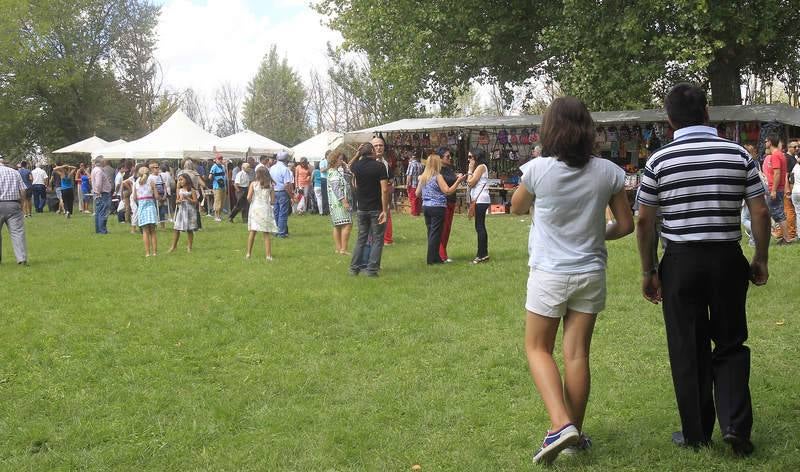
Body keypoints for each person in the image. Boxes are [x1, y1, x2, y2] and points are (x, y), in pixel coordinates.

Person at [636, 83, 770, 456]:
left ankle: (696, 433)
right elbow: (759, 210)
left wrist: (648, 270)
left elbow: (645, 221)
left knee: (687, 346)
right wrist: (760, 257)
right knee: (730, 341)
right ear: (707, 113)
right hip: (727, 257)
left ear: (669, 118)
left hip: (680, 261)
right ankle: (735, 424)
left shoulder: (658, 161)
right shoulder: (737, 155)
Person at [510, 97, 634, 464]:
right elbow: (625, 225)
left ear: (549, 129)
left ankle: (560, 424)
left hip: (549, 272)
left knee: (537, 349)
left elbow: (516, 206)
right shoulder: (609, 172)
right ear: (588, 130)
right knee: (577, 353)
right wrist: (598, 234)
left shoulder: (536, 170)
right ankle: (574, 433)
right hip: (591, 272)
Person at [349, 143, 390, 276]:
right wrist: (384, 210)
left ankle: (354, 268)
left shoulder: (357, 166)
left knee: (361, 239)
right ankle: (372, 270)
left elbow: (349, 165)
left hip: (361, 208)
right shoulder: (379, 166)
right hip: (376, 208)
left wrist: (357, 153)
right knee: (378, 239)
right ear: (372, 151)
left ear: (362, 152)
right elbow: (384, 189)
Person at [416, 153, 464, 264]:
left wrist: (427, 194)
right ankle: (431, 259)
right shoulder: (438, 176)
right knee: (436, 233)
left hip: (426, 207)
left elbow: (417, 193)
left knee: (430, 232)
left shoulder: (423, 177)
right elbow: (447, 191)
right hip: (437, 207)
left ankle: (436, 257)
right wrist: (458, 181)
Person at [763, 135, 792, 244]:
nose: (765, 143)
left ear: (770, 142)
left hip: (774, 188)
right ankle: (785, 238)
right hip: (777, 188)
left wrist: (773, 190)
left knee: (777, 213)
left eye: (766, 141)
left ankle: (786, 238)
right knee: (777, 213)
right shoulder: (780, 154)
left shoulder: (775, 155)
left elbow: (777, 173)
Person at [246, 166, 278, 260]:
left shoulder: (253, 184)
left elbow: (248, 197)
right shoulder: (271, 186)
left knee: (253, 231)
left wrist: (251, 201)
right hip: (265, 209)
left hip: (255, 208)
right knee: (266, 233)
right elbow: (272, 201)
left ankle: (248, 254)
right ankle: (268, 255)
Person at [0, 160, 28, 264]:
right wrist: (22, 203)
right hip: (13, 204)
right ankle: (21, 258)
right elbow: (23, 190)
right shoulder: (15, 172)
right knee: (17, 232)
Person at [466, 148, 491, 263]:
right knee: (480, 226)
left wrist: (470, 169)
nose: (469, 159)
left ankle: (481, 254)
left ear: (476, 156)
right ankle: (483, 253)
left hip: (480, 200)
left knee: (479, 227)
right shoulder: (480, 167)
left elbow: (470, 182)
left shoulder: (480, 167)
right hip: (480, 199)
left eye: (470, 157)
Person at [327, 152, 353, 254]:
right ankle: (344, 249)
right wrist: (344, 201)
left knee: (337, 225)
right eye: (340, 159)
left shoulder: (331, 171)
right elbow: (336, 188)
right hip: (339, 203)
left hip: (334, 204)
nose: (341, 161)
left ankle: (338, 248)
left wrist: (346, 167)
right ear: (335, 160)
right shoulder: (334, 173)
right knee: (347, 224)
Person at [133, 166, 160, 257]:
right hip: (151, 206)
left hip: (141, 206)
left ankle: (147, 253)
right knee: (153, 231)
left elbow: (134, 198)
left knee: (145, 231)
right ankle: (155, 252)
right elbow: (156, 197)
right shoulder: (151, 182)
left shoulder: (136, 183)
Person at [372, 136, 394, 245]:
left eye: (381, 145)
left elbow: (390, 180)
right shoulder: (368, 162)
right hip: (371, 197)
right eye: (376, 146)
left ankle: (387, 239)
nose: (379, 148)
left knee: (386, 214)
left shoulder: (385, 163)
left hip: (384, 194)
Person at [168, 174, 198, 253]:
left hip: (190, 212)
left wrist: (188, 198)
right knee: (176, 228)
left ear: (187, 180)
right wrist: (178, 201)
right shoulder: (179, 190)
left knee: (189, 229)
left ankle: (189, 247)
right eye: (179, 180)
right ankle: (173, 246)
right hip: (181, 211)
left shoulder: (192, 190)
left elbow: (195, 202)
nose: (180, 181)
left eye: (181, 179)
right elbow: (177, 201)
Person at [438, 148, 458, 262]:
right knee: (443, 228)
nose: (450, 158)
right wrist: (457, 180)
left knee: (447, 229)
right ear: (440, 158)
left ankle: (443, 252)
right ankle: (442, 255)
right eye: (447, 156)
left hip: (451, 200)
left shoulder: (450, 169)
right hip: (443, 201)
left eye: (450, 156)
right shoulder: (438, 171)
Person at [269, 151, 294, 238]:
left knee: (276, 212)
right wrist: (292, 196)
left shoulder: (272, 168)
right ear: (286, 160)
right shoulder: (285, 169)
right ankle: (281, 233)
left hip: (273, 192)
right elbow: (287, 185)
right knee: (283, 213)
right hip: (282, 192)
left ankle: (276, 231)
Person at [91, 156, 112, 233]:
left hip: (99, 193)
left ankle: (99, 229)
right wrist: (98, 192)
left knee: (98, 212)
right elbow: (98, 183)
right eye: (104, 161)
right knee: (103, 212)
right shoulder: (99, 171)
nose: (105, 162)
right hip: (102, 194)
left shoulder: (95, 170)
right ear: (100, 162)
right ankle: (102, 230)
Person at [208, 155, 227, 221]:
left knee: (222, 200)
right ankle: (216, 216)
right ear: (216, 160)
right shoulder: (214, 167)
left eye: (221, 159)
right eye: (219, 159)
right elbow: (210, 176)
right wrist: (216, 179)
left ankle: (220, 215)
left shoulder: (223, 166)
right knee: (218, 200)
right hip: (217, 186)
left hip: (223, 186)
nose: (220, 160)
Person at [320, 150, 330, 215]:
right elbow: (322, 170)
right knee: (325, 195)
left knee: (329, 195)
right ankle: (325, 211)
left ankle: (329, 210)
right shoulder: (323, 162)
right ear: (327, 155)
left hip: (330, 179)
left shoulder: (331, 162)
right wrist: (328, 167)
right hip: (324, 179)